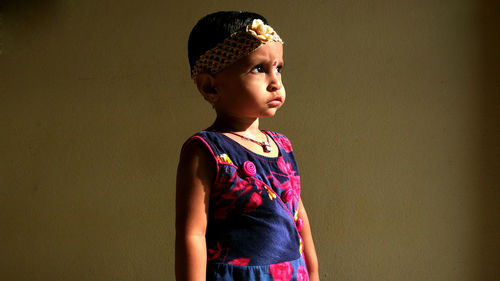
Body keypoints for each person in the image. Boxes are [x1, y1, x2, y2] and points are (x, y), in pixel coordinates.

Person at [176, 11, 319, 281]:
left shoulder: (282, 146)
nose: (276, 81)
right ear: (210, 86)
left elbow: (299, 218)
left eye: (278, 68)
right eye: (259, 69)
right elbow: (192, 234)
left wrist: (313, 273)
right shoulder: (206, 150)